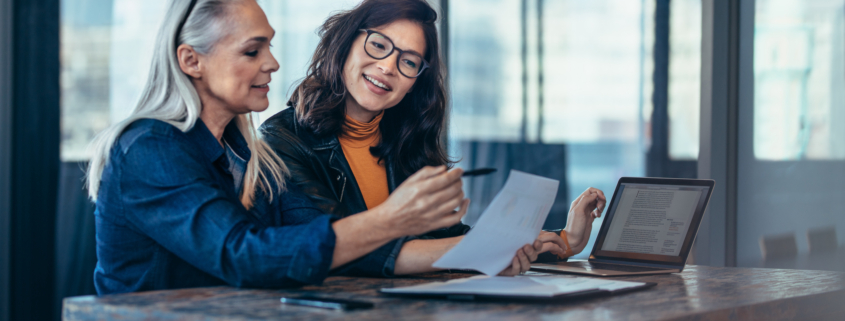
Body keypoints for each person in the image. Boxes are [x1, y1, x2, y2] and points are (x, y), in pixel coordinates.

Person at [87, 0, 556, 295]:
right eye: (253, 51)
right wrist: (392, 219)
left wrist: (490, 249)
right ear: (191, 60)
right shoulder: (149, 148)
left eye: (269, 46)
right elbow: (243, 255)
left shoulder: (249, 155)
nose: (272, 63)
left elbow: (328, 241)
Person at [259, 0, 606, 261]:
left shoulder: (407, 141)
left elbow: (447, 238)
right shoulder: (282, 139)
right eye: (378, 45)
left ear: (415, 81)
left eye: (408, 61)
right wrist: (478, 251)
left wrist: (564, 240)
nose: (387, 67)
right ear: (346, 42)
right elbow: (334, 248)